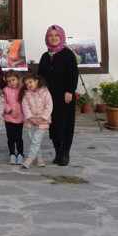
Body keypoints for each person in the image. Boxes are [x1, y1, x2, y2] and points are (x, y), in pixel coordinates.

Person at [37, 25, 79, 166]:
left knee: (66, 123)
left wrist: (70, 91)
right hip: (49, 97)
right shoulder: (45, 56)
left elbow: (73, 74)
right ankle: (58, 151)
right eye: (51, 35)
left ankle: (66, 151)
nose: (53, 38)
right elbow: (40, 77)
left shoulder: (68, 54)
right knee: (54, 124)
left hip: (64, 96)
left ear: (61, 37)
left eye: (56, 35)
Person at [20, 73, 53, 169]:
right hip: (31, 121)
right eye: (26, 84)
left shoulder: (45, 93)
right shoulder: (26, 94)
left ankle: (29, 159)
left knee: (35, 141)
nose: (28, 85)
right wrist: (30, 118)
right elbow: (25, 106)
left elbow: (49, 106)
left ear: (36, 81)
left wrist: (42, 118)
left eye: (30, 82)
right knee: (34, 141)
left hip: (43, 122)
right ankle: (39, 158)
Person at [3, 72, 25, 165]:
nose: (12, 83)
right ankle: (12, 153)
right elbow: (3, 102)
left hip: (20, 117)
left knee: (19, 137)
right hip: (9, 117)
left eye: (13, 80)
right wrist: (10, 111)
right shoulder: (5, 90)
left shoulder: (22, 89)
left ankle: (20, 154)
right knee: (10, 137)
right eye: (9, 81)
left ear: (18, 79)